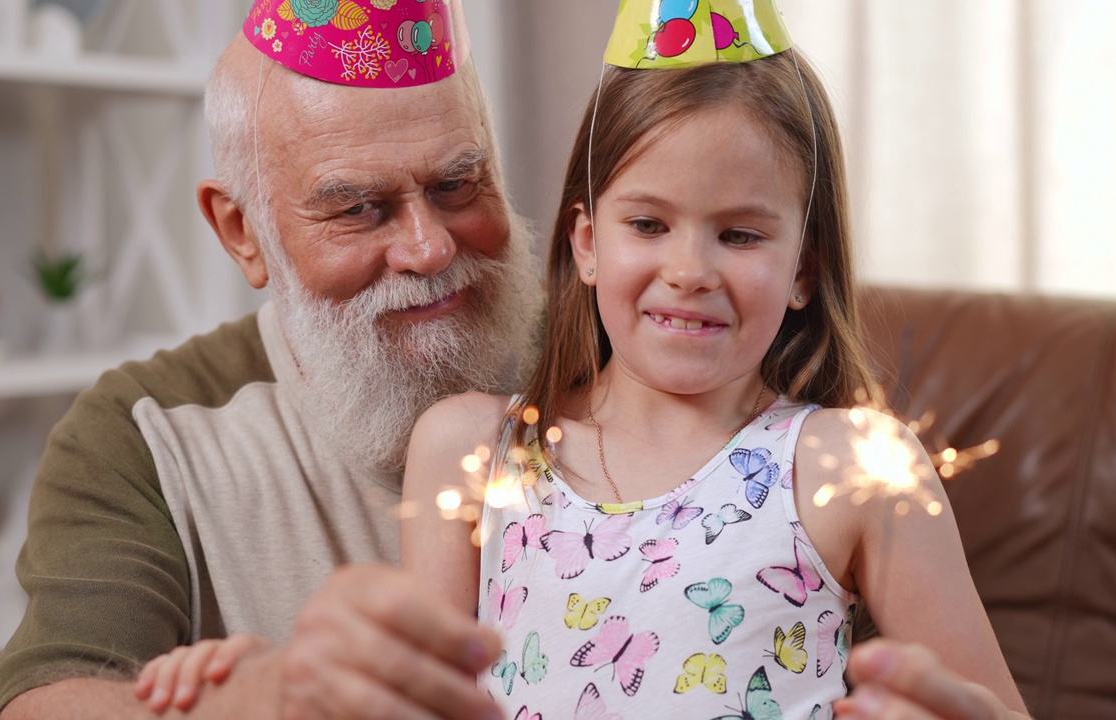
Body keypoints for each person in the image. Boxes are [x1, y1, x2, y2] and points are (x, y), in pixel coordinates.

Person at [133, 3, 1031, 719]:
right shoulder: (469, 452)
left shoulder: (857, 469)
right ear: (587, 243)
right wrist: (261, 693)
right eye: (649, 224)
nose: (689, 269)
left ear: (804, 268)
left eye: (741, 233)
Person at [0, 1, 537, 719]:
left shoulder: (615, 353)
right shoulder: (141, 432)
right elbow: (46, 706)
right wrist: (264, 699)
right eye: (359, 208)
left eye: (457, 185)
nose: (429, 247)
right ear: (241, 231)